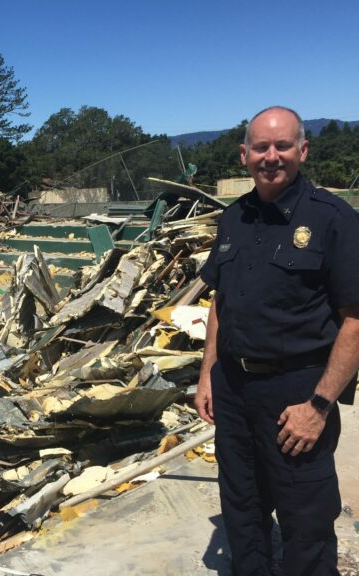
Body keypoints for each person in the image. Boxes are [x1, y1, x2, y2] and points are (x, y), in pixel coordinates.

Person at [195, 106, 359, 576]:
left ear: (302, 151)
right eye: (261, 147)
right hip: (233, 391)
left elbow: (355, 319)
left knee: (305, 521)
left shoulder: (332, 219)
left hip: (297, 395)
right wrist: (208, 374)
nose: (271, 156)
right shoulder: (233, 218)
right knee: (242, 511)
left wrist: (320, 406)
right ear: (244, 155)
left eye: (282, 146)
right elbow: (219, 304)